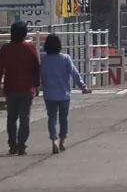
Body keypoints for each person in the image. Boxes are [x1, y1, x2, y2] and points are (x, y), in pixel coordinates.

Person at [40, 33, 90, 154]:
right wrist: (82, 86)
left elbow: (40, 76)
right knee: (64, 119)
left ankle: (54, 139)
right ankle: (62, 140)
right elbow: (74, 73)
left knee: (51, 117)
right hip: (64, 94)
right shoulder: (65, 58)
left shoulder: (44, 60)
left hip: (49, 94)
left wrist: (37, 87)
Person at [0, 21, 40, 155]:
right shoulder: (30, 48)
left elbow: (1, 68)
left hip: (10, 87)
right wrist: (37, 84)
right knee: (25, 118)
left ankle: (12, 145)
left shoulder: (5, 49)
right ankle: (22, 144)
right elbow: (36, 67)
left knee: (11, 118)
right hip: (27, 88)